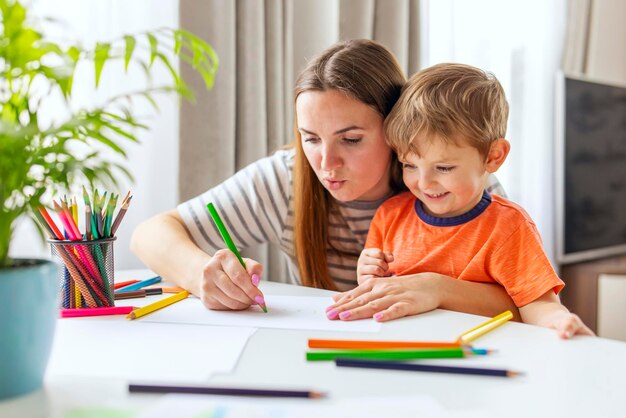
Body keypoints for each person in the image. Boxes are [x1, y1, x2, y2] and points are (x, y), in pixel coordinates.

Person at [131, 40, 518, 318]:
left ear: (395, 130)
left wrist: (437, 289)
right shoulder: (287, 178)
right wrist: (200, 274)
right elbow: (149, 233)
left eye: (351, 139)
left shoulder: (454, 178)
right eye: (311, 138)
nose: (326, 163)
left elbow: (526, 302)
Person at [327, 63, 594, 338]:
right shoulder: (390, 215)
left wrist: (561, 322)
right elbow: (379, 290)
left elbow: (538, 304)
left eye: (443, 168)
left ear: (493, 157)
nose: (424, 182)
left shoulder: (510, 227)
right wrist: (368, 273)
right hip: (406, 347)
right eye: (409, 165)